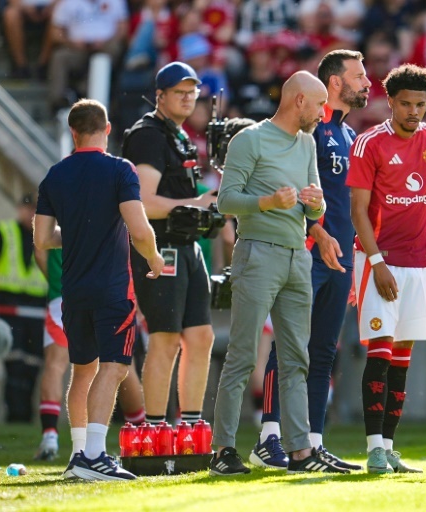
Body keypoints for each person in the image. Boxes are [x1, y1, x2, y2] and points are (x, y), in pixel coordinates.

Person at [211, 70, 348, 476]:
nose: (325, 113)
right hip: (257, 254)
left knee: (296, 360)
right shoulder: (249, 139)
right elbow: (226, 202)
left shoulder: (307, 143)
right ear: (299, 101)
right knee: (241, 355)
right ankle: (223, 450)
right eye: (321, 104)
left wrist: (316, 204)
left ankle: (301, 453)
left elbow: (315, 210)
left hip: (296, 257)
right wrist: (269, 201)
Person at [251, 49, 370, 471]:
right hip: (303, 254)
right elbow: (284, 190)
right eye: (359, 75)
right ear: (335, 82)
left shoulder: (351, 137)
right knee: (288, 349)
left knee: (322, 352)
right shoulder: (304, 133)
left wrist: (356, 259)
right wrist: (313, 233)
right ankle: (269, 436)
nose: (366, 82)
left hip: (339, 258)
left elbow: (350, 209)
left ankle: (312, 444)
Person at [34, 98, 164, 481]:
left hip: (72, 291)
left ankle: (77, 457)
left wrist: (75, 234)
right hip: (111, 289)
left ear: (73, 133)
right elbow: (139, 230)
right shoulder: (120, 169)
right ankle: (94, 455)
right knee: (114, 368)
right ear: (107, 130)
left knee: (82, 370)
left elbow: (42, 239)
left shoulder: (55, 175)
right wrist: (155, 258)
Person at [346, 63, 426, 474]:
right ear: (390, 102)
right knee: (379, 353)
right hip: (379, 260)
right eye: (406, 104)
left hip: (419, 262)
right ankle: (374, 448)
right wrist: (376, 262)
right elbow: (358, 210)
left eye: (421, 104)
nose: (414, 111)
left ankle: (390, 446)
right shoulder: (368, 143)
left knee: (402, 357)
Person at [121, 62, 217, 428]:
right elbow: (142, 202)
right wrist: (197, 204)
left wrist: (206, 206)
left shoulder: (179, 134)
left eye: (192, 91)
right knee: (164, 339)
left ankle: (190, 425)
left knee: (201, 336)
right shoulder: (148, 135)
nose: (188, 97)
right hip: (160, 247)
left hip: (187, 246)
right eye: (180, 91)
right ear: (159, 96)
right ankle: (155, 429)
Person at [32, 247, 146, 461]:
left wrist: (58, 280)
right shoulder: (106, 212)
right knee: (119, 366)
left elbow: (40, 248)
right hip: (108, 292)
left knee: (64, 367)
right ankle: (140, 437)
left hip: (66, 294)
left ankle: (56, 439)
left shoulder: (59, 212)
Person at [0, 193, 47, 423]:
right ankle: (15, 415)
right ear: (19, 208)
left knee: (32, 364)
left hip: (37, 308)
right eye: (27, 208)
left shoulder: (47, 234)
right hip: (8, 306)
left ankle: (25, 415)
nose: (31, 214)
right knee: (14, 365)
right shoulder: (3, 231)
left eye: (35, 209)